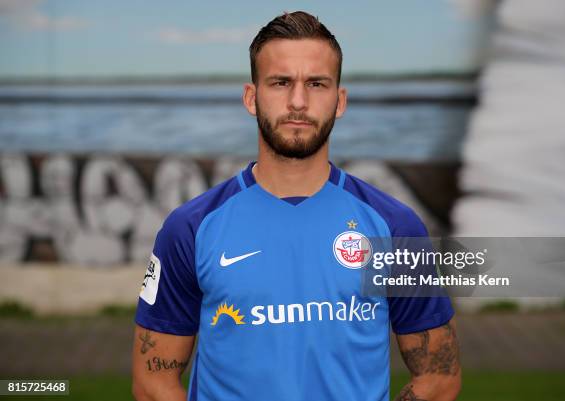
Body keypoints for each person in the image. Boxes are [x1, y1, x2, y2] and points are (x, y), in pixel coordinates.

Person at [131, 11, 461, 401]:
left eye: (317, 84)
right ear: (252, 98)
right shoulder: (190, 228)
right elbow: (153, 384)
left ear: (339, 101)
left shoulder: (394, 227)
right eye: (281, 82)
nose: (298, 101)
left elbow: (439, 377)